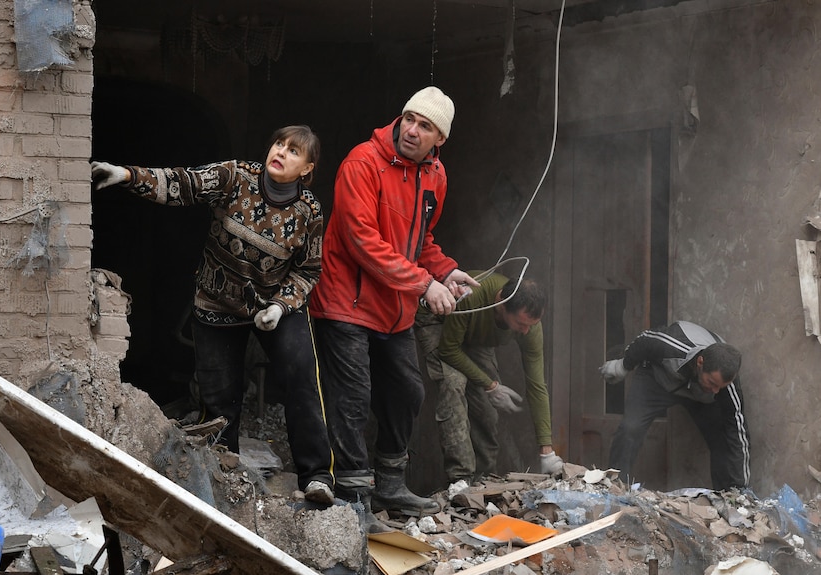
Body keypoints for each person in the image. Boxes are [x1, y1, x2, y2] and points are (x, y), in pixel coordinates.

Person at [89, 126, 335, 504]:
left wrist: (280, 306)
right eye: (279, 144)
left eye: (294, 151)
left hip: (274, 305)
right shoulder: (235, 176)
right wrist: (125, 175)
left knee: (302, 375)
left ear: (307, 168)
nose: (281, 152)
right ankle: (227, 481)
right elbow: (182, 184)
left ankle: (317, 476)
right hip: (217, 303)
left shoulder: (310, 212)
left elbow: (308, 270)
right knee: (219, 400)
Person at [309, 86, 479, 530]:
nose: (413, 130)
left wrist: (445, 271)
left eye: (425, 126)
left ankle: (390, 482)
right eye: (409, 119)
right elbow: (362, 241)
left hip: (393, 307)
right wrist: (424, 284)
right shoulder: (362, 162)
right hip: (346, 300)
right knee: (353, 398)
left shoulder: (435, 177)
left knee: (408, 391)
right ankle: (354, 496)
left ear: (440, 138)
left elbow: (420, 241)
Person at [414, 272, 564, 485]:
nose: (525, 331)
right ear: (501, 303)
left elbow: (537, 385)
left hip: (475, 335)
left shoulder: (529, 326)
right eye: (521, 324)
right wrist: (490, 385)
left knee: (488, 411)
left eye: (531, 324)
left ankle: (484, 480)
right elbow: (449, 350)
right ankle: (461, 481)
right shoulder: (472, 296)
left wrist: (546, 451)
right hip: (439, 319)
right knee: (454, 384)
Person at [599, 320, 750, 490]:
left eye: (720, 387)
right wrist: (622, 366)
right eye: (712, 382)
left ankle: (728, 496)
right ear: (700, 362)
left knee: (723, 442)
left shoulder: (725, 386)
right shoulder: (672, 345)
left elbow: (738, 433)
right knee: (630, 428)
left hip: (699, 396)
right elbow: (644, 340)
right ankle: (615, 486)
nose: (716, 391)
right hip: (657, 380)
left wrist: (740, 487)